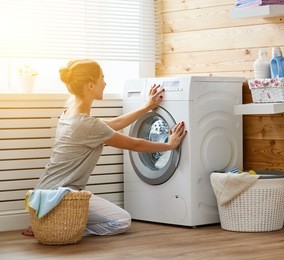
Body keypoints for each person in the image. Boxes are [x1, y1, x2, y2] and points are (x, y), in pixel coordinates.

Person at [22, 59, 187, 236]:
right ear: (91, 85)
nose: (105, 82)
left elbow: (114, 124)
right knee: (122, 221)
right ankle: (60, 227)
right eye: (103, 77)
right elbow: (135, 144)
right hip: (62, 196)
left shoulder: (69, 115)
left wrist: (147, 107)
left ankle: (49, 223)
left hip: (43, 193)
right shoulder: (87, 125)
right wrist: (169, 145)